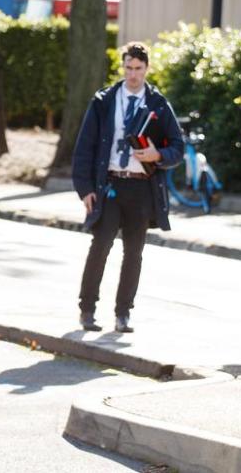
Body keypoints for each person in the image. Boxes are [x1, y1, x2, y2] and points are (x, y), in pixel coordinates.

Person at [72, 42, 184, 333]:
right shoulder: (104, 100)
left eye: (138, 68)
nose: (133, 74)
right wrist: (85, 189)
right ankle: (87, 309)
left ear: (147, 69)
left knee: (134, 252)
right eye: (128, 68)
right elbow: (84, 147)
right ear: (123, 67)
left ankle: (123, 314)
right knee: (101, 246)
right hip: (110, 184)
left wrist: (158, 155)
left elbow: (178, 147)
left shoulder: (159, 104)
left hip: (142, 187)